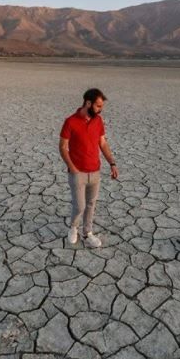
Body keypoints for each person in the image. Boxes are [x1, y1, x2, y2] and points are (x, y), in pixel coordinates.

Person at [59, 88, 118, 247]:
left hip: (95, 171)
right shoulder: (70, 121)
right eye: (98, 106)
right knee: (79, 205)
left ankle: (88, 232)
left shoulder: (98, 121)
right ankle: (73, 228)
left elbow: (103, 143)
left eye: (101, 106)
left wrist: (112, 163)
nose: (100, 109)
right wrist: (72, 167)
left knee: (91, 204)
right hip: (77, 172)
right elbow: (63, 147)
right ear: (88, 103)